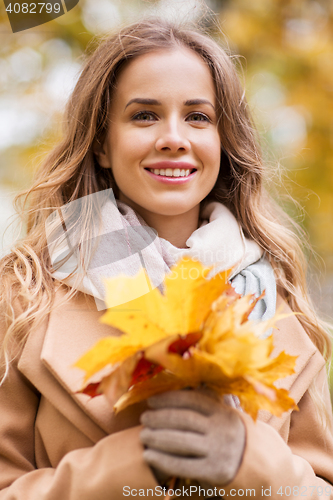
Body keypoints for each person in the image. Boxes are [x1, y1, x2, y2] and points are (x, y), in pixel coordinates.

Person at [0, 17, 333, 500]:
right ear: (101, 145)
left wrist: (246, 460)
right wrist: (133, 466)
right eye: (144, 115)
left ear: (223, 141)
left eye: (198, 117)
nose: (174, 137)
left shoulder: (274, 297)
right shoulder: (23, 295)